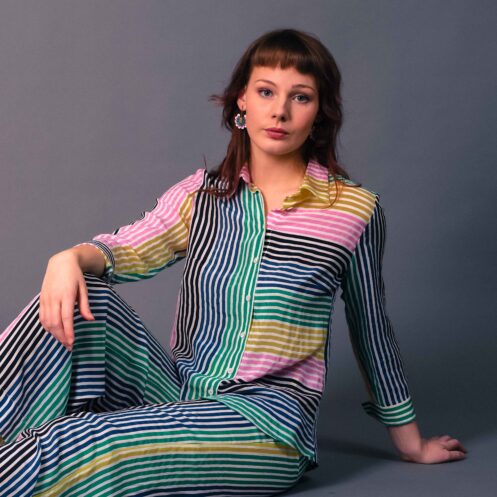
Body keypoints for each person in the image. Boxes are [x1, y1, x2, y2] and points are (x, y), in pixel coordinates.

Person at [0, 28, 467, 497]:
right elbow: (127, 247)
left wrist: (411, 442)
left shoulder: (353, 211)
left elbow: (372, 329)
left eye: (300, 97)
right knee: (81, 296)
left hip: (265, 424)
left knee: (72, 442)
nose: (280, 111)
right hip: (180, 391)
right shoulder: (201, 195)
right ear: (242, 99)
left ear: (319, 112)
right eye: (266, 92)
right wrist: (68, 258)